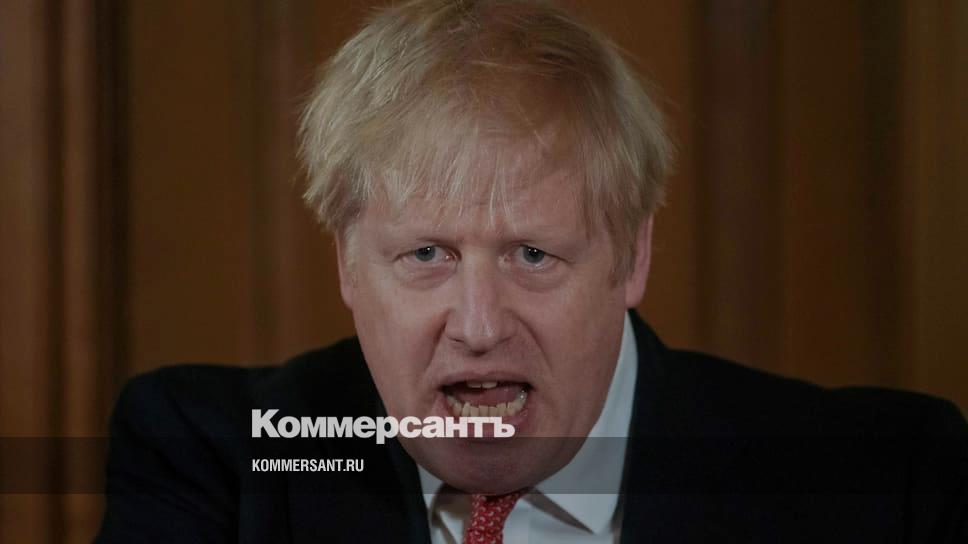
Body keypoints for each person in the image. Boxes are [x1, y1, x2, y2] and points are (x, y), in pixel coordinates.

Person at [96, 0, 968, 542]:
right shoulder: (212, 462)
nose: (479, 326)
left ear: (632, 256)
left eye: (533, 254)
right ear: (348, 267)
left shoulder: (886, 484)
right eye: (427, 255)